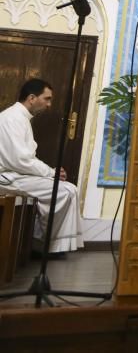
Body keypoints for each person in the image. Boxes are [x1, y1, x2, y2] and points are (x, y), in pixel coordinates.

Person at [0, 79, 83, 256]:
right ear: (31, 98)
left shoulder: (21, 118)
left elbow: (23, 159)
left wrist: (49, 173)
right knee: (64, 191)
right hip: (7, 177)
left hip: (17, 175)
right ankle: (42, 245)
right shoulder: (12, 118)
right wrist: (50, 172)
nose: (49, 104)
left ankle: (42, 242)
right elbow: (19, 160)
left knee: (69, 190)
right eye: (47, 98)